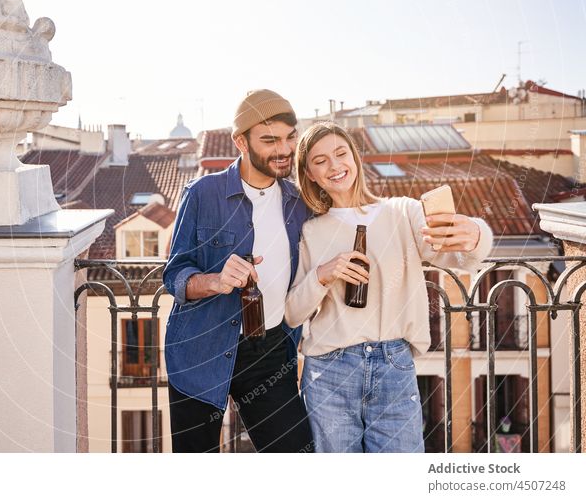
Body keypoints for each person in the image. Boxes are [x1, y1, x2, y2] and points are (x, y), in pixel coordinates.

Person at [285, 122, 494, 453]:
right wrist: (322, 275)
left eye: (341, 154)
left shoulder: (402, 211)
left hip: (394, 365)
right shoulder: (310, 232)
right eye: (321, 160)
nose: (335, 166)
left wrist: (477, 234)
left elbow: (456, 256)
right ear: (309, 173)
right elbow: (293, 313)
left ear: (355, 158)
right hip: (329, 372)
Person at [163, 89, 315, 453]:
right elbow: (174, 275)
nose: (283, 149)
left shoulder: (299, 202)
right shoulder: (201, 194)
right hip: (201, 349)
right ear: (240, 141)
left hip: (271, 352)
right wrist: (215, 281)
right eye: (269, 140)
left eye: (289, 137)